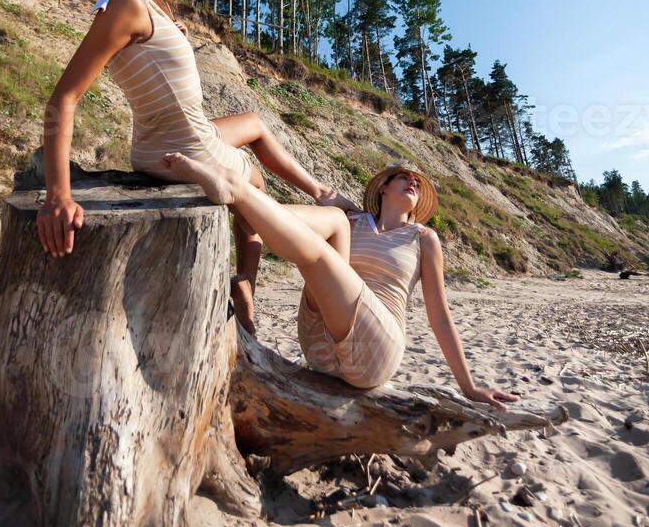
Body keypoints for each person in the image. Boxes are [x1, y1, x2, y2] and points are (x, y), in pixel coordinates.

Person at [36, 0, 354, 333]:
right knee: (254, 179)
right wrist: (59, 195)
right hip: (186, 148)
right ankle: (247, 282)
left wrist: (174, 36)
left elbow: (150, 62)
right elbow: (63, 98)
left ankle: (321, 192)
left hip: (161, 140)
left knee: (256, 123)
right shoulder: (129, 4)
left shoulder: (141, 4)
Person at [160, 153, 521, 411]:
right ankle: (246, 199)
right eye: (405, 178)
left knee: (322, 249)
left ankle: (238, 191)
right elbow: (319, 220)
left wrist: (468, 386)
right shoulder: (354, 220)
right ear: (383, 188)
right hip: (320, 345)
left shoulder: (423, 238)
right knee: (333, 221)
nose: (413, 183)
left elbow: (439, 316)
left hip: (375, 350)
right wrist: (331, 204)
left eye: (418, 184)